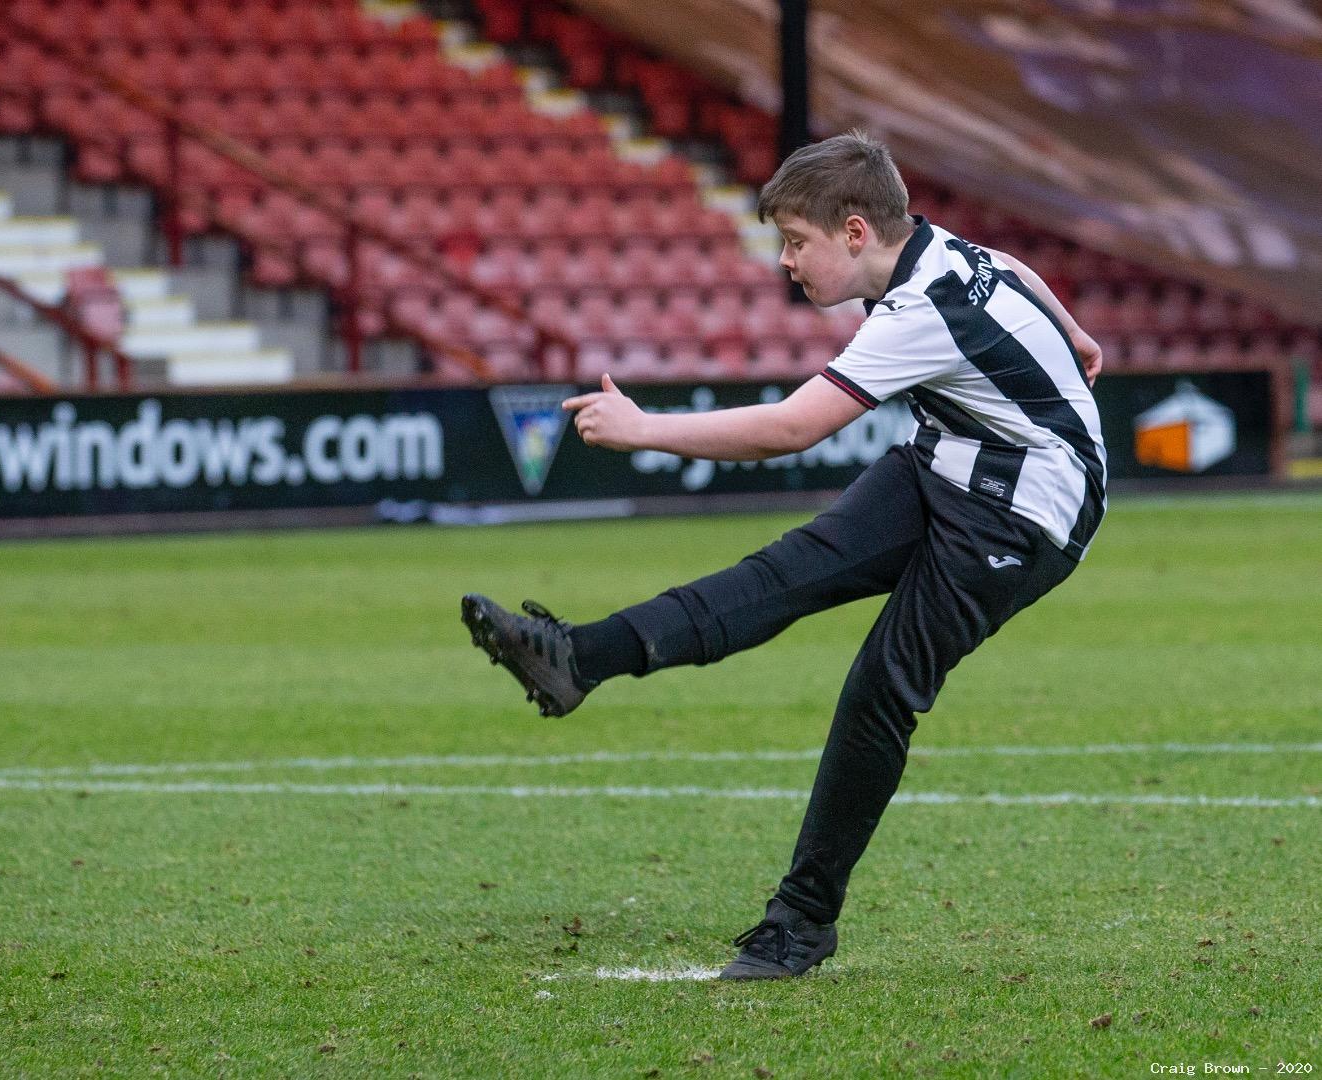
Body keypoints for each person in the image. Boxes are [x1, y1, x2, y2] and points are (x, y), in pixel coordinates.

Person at [460, 130, 1107, 980]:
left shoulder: (918, 313)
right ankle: (575, 657)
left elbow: (792, 428)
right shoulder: (923, 251)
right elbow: (1012, 269)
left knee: (881, 691)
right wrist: (1076, 333)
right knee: (783, 573)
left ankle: (800, 924)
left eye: (796, 241)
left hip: (1025, 512)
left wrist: (644, 429)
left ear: (853, 231)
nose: (787, 263)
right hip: (949, 458)